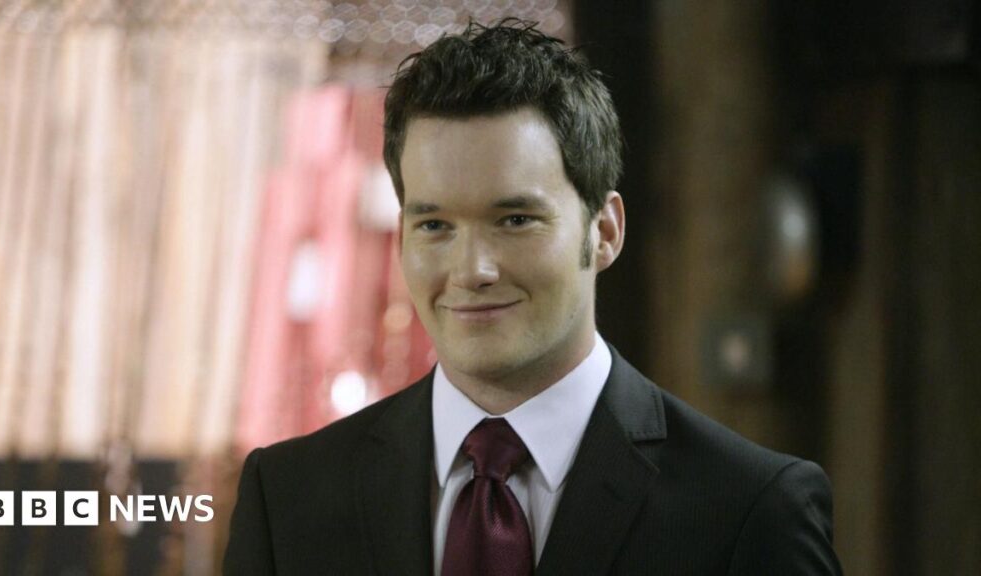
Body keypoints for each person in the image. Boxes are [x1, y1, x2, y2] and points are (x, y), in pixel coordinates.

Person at [224, 19, 842, 575]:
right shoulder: (287, 497)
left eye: (515, 220)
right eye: (434, 225)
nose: (473, 270)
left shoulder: (748, 508)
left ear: (604, 232)